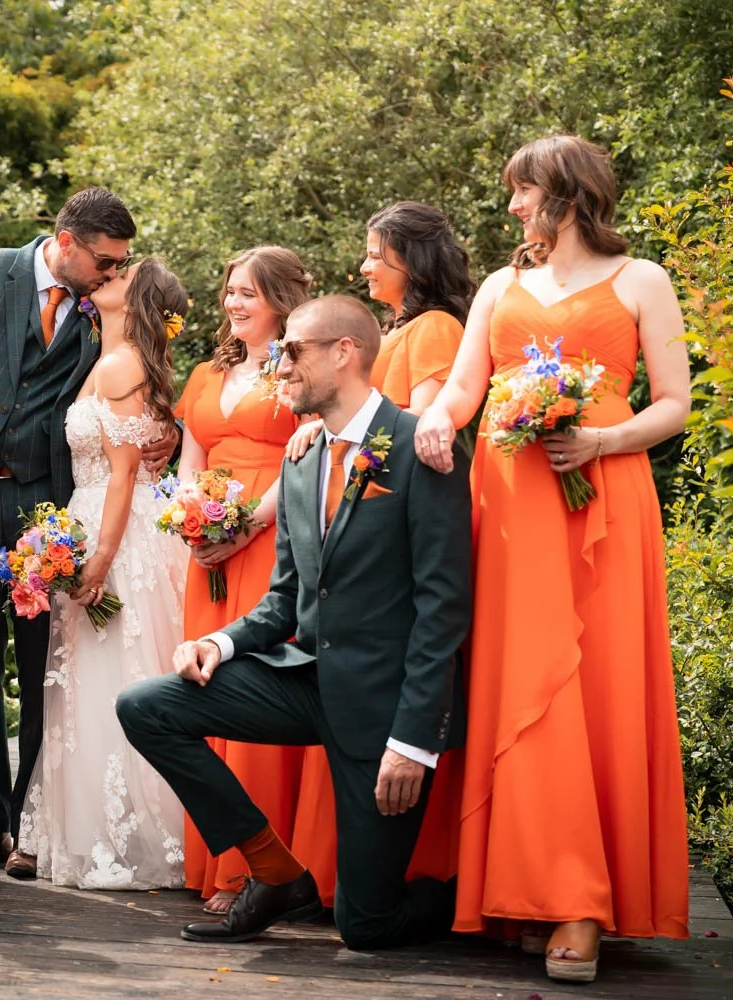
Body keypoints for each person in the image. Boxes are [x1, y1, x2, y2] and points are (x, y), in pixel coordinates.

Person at [412, 134, 691, 982]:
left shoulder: (642, 280)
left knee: (596, 683)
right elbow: (467, 385)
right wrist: (437, 423)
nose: (512, 209)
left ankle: (584, 902)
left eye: (522, 193)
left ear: (565, 193)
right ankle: (526, 886)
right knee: (525, 678)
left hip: (606, 494)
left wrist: (601, 438)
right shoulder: (501, 286)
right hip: (512, 502)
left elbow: (674, 404)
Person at [117, 295, 471, 949]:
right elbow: (284, 599)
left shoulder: (422, 450)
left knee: (364, 927)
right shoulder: (303, 455)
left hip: (382, 712)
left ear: (345, 353)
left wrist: (414, 742)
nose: (280, 364)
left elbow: (441, 610)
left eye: (295, 350)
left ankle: (468, 900)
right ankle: (273, 871)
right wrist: (219, 643)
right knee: (148, 706)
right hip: (305, 681)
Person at [0, 188, 176, 867]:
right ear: (67, 243)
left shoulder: (100, 317)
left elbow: (140, 391)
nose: (110, 273)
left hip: (53, 509)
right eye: (103, 259)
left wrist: (169, 430)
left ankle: (32, 832)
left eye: (118, 264)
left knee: (47, 669)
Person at [285, 202, 476, 892]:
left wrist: (344, 440)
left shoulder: (436, 328)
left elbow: (421, 426)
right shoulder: (394, 329)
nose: (364, 264)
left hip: (398, 521)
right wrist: (322, 432)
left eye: (376, 253)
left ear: (410, 260)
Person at [11, 258, 190, 888]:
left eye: (119, 276)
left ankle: (126, 832)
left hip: (116, 532)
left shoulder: (120, 364)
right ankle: (93, 827)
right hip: (97, 522)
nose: (103, 279)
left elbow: (121, 474)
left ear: (136, 297)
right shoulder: (107, 359)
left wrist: (98, 562)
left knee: (113, 670)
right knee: (91, 675)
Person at [174, 247, 311, 914]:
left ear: (280, 301)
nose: (234, 303)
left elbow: (309, 456)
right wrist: (191, 522)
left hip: (269, 535)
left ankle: (259, 869)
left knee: (251, 684)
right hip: (209, 546)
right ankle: (218, 859)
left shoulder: (300, 369)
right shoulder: (206, 371)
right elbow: (189, 456)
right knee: (201, 689)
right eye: (229, 291)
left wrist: (248, 525)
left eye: (249, 294)